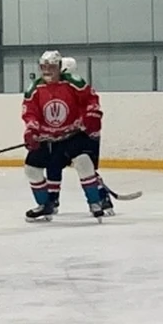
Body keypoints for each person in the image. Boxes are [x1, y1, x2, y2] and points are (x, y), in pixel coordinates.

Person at [22, 50, 104, 222]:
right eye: (44, 67)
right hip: (47, 138)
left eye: (51, 67)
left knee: (83, 162)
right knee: (31, 169)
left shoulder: (74, 83)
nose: (47, 71)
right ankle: (45, 205)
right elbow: (30, 112)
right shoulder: (34, 89)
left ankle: (95, 202)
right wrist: (31, 130)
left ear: (59, 67)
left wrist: (91, 115)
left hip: (72, 134)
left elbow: (91, 100)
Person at [43, 55, 113, 216]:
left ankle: (100, 197)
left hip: (84, 136)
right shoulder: (58, 87)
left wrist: (85, 123)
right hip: (67, 136)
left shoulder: (75, 85)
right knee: (55, 165)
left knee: (83, 166)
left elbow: (89, 108)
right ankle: (54, 200)